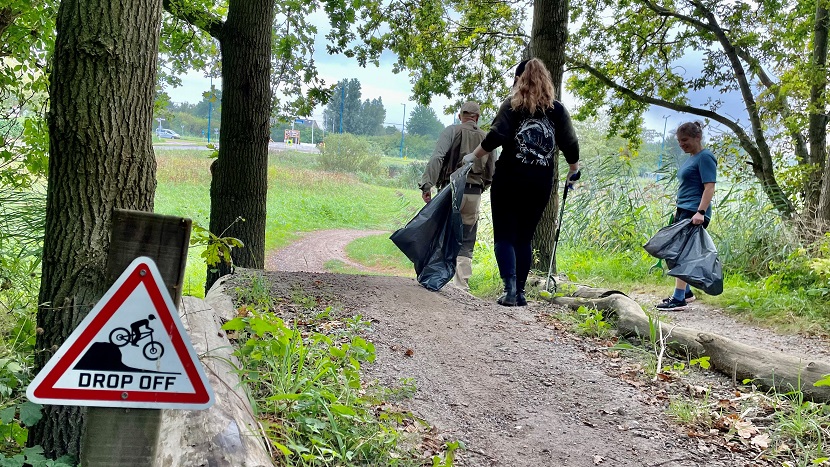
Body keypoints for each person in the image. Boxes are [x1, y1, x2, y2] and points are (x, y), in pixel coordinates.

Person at [462, 58, 580, 306]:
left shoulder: (512, 105)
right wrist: (573, 170)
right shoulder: (557, 110)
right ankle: (522, 293)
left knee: (504, 237)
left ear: (518, 80)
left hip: (510, 180)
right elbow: (570, 142)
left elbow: (497, 135)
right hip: (540, 183)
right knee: (524, 238)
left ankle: (510, 290)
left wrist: (473, 156)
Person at [419, 101, 496, 290]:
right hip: (473, 193)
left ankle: (437, 279)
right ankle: (461, 285)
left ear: (460, 115)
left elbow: (437, 158)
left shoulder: (451, 131)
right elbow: (492, 170)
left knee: (444, 233)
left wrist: (427, 185)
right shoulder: (487, 138)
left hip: (450, 191)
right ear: (477, 118)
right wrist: (481, 186)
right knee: (467, 238)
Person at [656, 121, 717, 310]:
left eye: (685, 140)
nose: (681, 144)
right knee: (674, 251)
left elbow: (710, 187)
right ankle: (687, 292)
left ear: (697, 138)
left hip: (694, 212)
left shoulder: (705, 157)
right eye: (679, 141)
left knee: (680, 254)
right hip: (684, 210)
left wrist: (700, 212)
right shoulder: (692, 157)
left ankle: (679, 298)